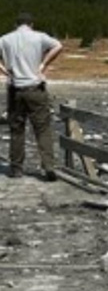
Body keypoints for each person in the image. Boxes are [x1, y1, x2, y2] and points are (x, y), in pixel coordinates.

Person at [0, 12, 63, 181]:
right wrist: (43, 64)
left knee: (17, 129)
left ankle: (16, 169)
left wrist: (3, 70)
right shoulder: (39, 37)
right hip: (35, 87)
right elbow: (58, 46)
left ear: (16, 24)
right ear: (31, 24)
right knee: (42, 129)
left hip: (15, 88)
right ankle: (48, 166)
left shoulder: (5, 39)